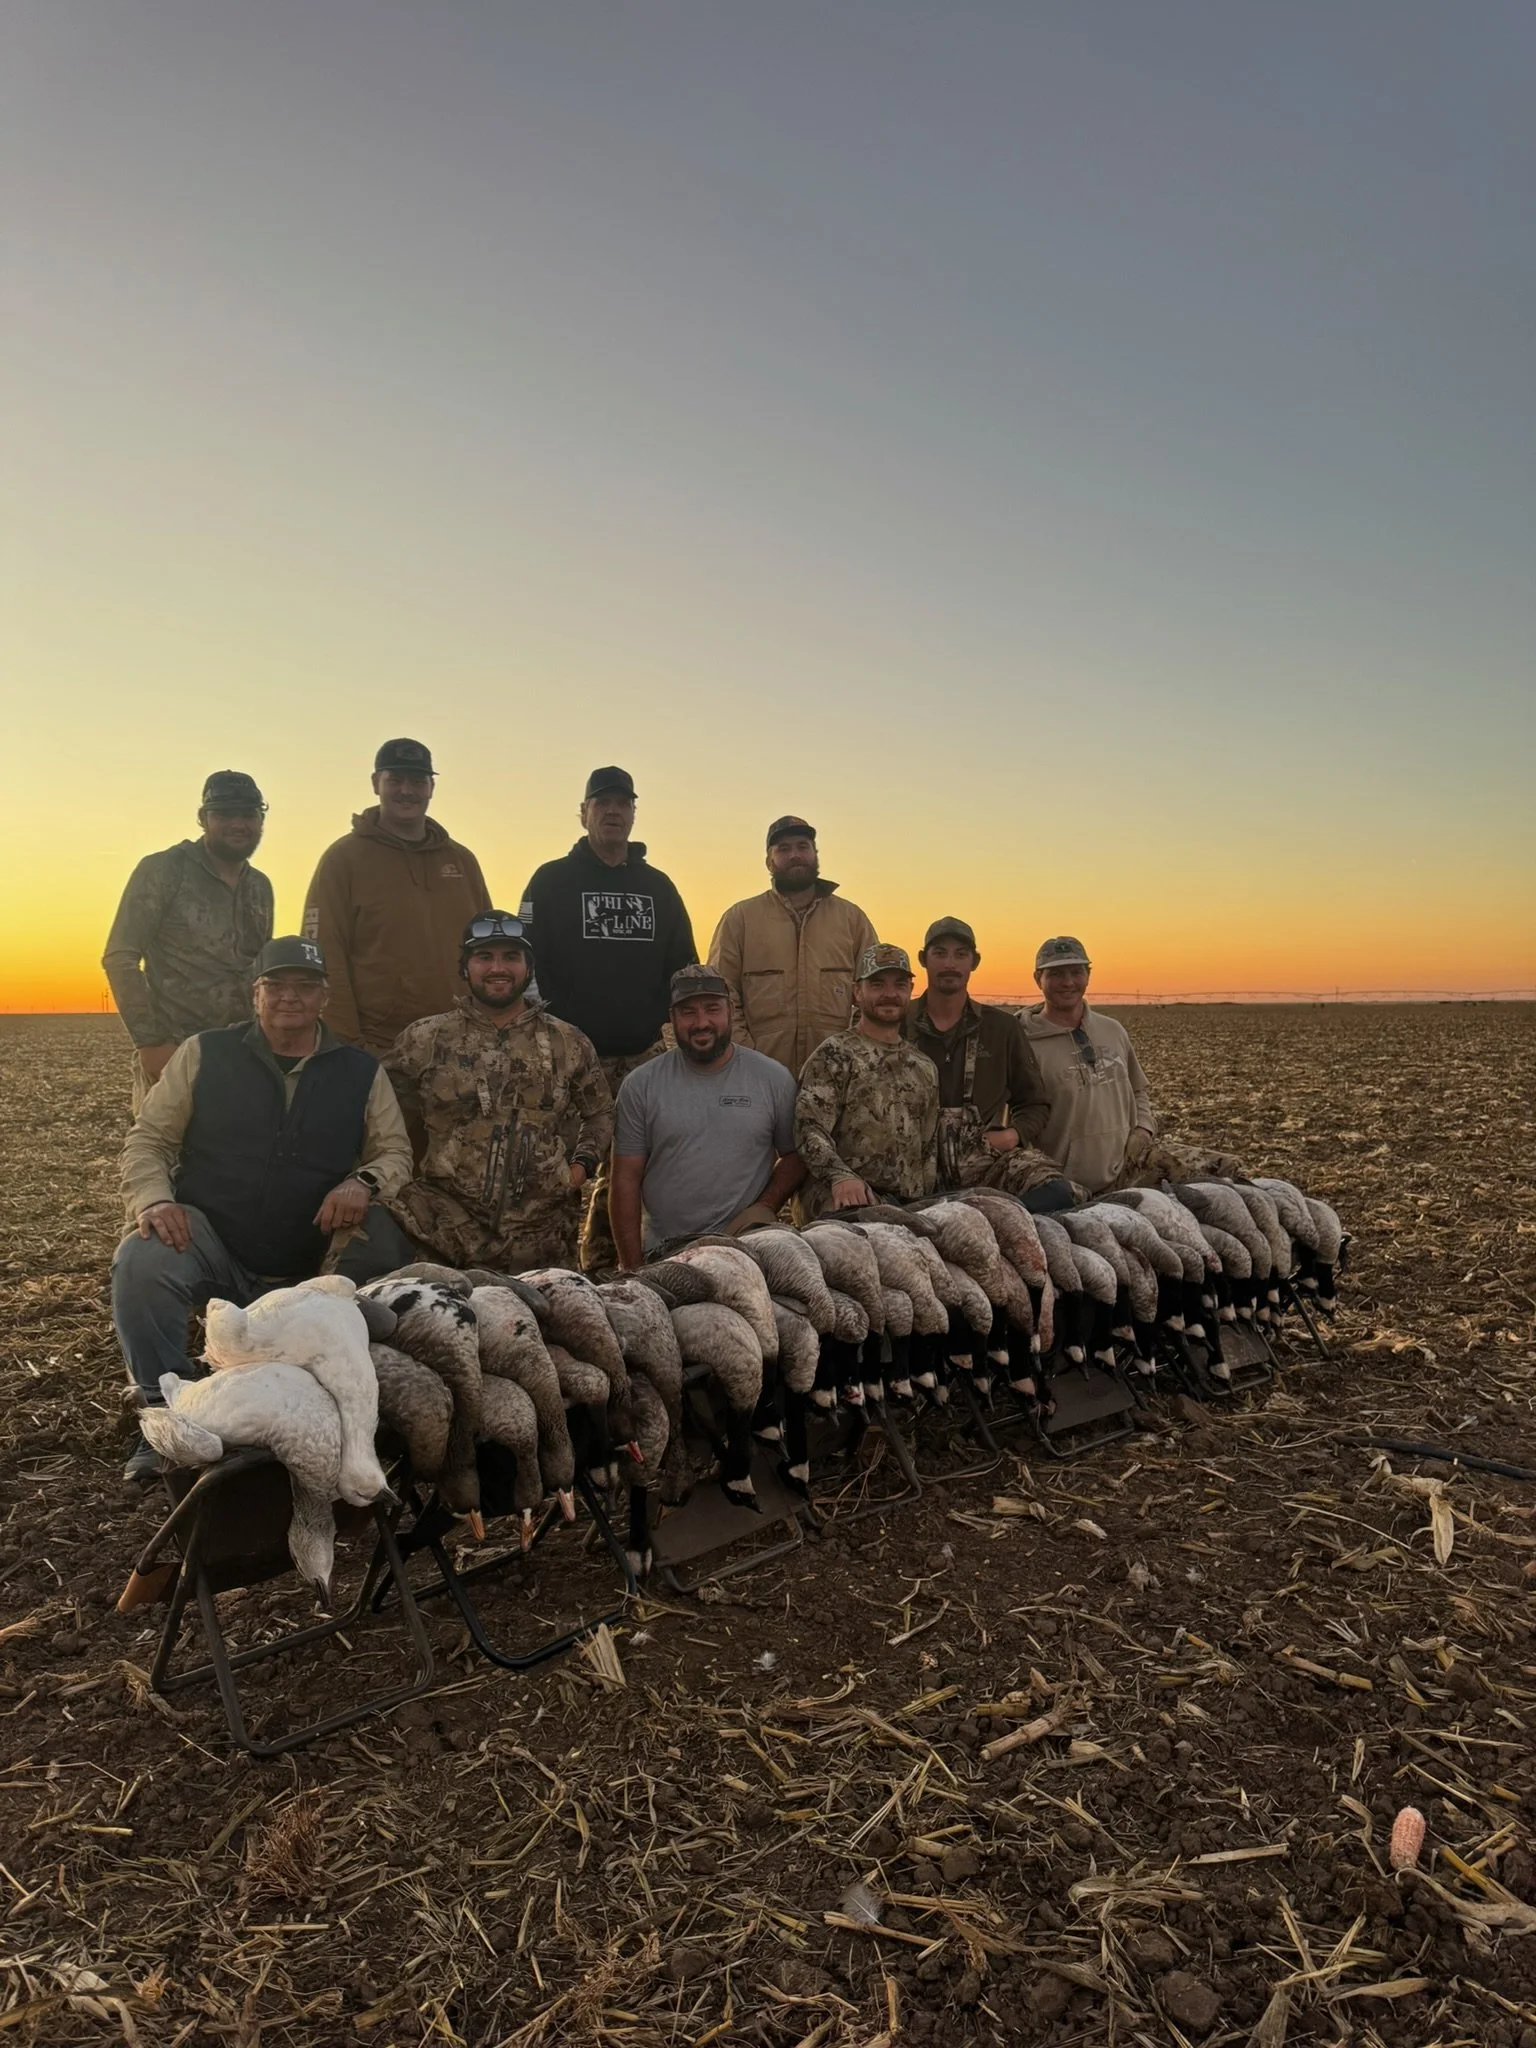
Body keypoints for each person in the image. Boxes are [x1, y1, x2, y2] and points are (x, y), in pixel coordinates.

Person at [112, 937, 415, 1483]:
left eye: (304, 987)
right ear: (256, 994)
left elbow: (393, 1151)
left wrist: (362, 1182)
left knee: (383, 1234)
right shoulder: (205, 1053)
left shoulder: (359, 1071)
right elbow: (149, 1138)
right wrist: (155, 1199)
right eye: (276, 986)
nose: (289, 998)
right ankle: (168, 1417)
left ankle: (342, 1404)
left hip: (313, 1269)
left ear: (324, 997)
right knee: (142, 1257)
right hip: (216, 1247)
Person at [518, 767, 697, 1270]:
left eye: (622, 804)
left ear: (634, 814)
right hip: (569, 1058)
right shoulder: (550, 881)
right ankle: (552, 1269)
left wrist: (673, 1039)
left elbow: (683, 968)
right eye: (602, 804)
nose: (613, 812)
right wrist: (546, 1037)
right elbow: (525, 959)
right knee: (561, 1167)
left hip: (642, 1055)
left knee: (633, 1165)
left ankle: (609, 1263)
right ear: (584, 813)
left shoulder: (658, 887)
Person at [384, 912, 613, 1272]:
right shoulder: (424, 1040)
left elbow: (600, 1112)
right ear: (465, 968)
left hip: (544, 1238)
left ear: (528, 967)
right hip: (442, 1236)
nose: (498, 968)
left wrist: (581, 1167)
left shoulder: (567, 1041)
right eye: (484, 957)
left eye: (511, 957)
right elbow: (383, 1122)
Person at [302, 738, 491, 1053]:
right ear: (376, 783)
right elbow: (324, 954)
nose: (407, 790)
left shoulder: (462, 861)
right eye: (396, 780)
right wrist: (345, 1044)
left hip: (460, 1043)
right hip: (380, 1046)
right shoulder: (343, 859)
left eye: (418, 781)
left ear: (431, 788)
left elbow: (487, 950)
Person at [609, 964, 804, 1267]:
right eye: (688, 1012)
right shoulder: (640, 1085)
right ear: (671, 1018)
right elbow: (625, 1178)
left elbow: (795, 1156)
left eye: (712, 1009)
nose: (702, 1022)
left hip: (748, 1250)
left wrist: (765, 1205)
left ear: (730, 1012)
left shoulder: (773, 1078)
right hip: (665, 1255)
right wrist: (634, 1269)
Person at [102, 770, 275, 1109]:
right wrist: (151, 1044)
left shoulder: (260, 887)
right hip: (176, 1051)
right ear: (203, 818)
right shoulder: (165, 870)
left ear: (261, 819)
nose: (238, 823)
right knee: (164, 1156)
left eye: (248, 814)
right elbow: (120, 957)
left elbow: (260, 972)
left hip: (245, 1057)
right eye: (225, 813)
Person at [906, 918, 1075, 1212]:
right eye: (939, 953)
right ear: (923, 959)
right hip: (910, 1162)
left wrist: (1014, 1135)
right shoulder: (899, 1023)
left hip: (983, 1162)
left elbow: (1035, 1102)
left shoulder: (1001, 1028)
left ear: (975, 961)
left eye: (961, 954)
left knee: (1056, 1192)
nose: (950, 963)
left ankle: (987, 1218)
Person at [706, 815, 877, 1075]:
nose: (795, 855)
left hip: (839, 1076)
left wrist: (850, 1051)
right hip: (758, 1077)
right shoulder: (740, 919)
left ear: (815, 854)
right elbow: (721, 993)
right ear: (769, 861)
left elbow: (873, 991)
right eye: (783, 849)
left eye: (802, 846)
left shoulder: (852, 920)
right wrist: (747, 1057)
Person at [793, 944, 939, 1221]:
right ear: (857, 992)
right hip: (841, 1198)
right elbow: (808, 1130)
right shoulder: (833, 1055)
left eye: (899, 984)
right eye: (877, 984)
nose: (889, 994)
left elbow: (928, 1151)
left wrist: (926, 1204)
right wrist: (840, 1176)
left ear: (910, 991)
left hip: (905, 1204)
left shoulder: (924, 1067)